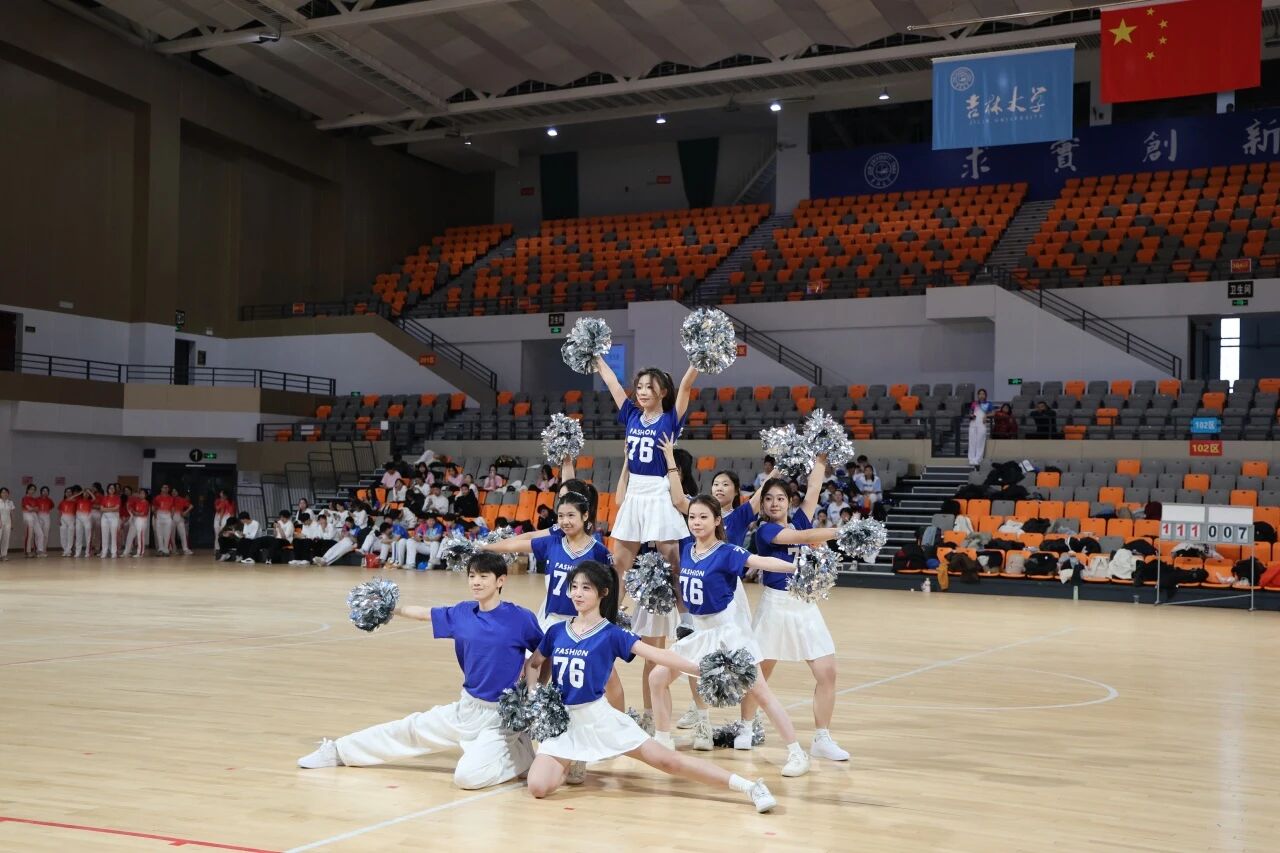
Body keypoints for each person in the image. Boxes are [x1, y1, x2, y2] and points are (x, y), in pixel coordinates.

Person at [523, 560, 778, 812]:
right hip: (563, 721)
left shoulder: (612, 634)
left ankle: (749, 786)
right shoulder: (557, 631)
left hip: (598, 717)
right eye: (574, 587)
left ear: (603, 592)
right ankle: (575, 755)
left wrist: (701, 669)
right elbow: (533, 664)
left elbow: (659, 655)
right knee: (538, 787)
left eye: (586, 588)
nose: (577, 593)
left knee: (668, 761)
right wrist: (535, 696)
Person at [298, 552, 543, 791]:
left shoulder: (521, 618)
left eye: (483, 576)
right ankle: (339, 751)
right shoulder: (462, 612)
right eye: (472, 576)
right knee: (411, 729)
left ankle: (521, 757)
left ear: (500, 580)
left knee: (467, 778)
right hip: (467, 707)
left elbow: (544, 653)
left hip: (502, 716)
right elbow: (424, 613)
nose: (476, 582)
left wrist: (533, 692)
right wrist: (391, 609)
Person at [648, 496, 814, 777]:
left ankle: (797, 753)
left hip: (727, 635)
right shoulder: (687, 549)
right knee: (657, 677)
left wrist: (796, 568)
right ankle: (663, 741)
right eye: (692, 517)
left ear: (716, 521)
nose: (696, 522)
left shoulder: (727, 551)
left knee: (761, 693)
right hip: (699, 634)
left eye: (703, 517)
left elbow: (761, 561)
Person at [739, 458, 851, 763]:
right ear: (763, 505)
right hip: (774, 605)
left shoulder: (800, 520)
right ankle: (745, 727)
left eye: (780, 498)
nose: (775, 503)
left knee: (827, 671)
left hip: (804, 605)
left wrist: (822, 457)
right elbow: (802, 538)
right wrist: (843, 532)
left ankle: (822, 738)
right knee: (760, 672)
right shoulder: (764, 531)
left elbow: (814, 488)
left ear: (790, 501)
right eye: (769, 499)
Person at [658, 436, 764, 731]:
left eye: (726, 484)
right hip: (701, 587)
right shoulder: (698, 512)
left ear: (736, 491)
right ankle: (699, 708)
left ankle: (750, 712)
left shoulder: (740, 515)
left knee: (740, 652)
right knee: (697, 649)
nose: (719, 487)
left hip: (729, 591)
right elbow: (678, 499)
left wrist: (780, 466)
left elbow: (763, 492)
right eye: (716, 483)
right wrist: (670, 460)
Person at [480, 492, 612, 632]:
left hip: (585, 622)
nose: (565, 521)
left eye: (571, 515)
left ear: (585, 516)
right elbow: (512, 546)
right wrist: (483, 548)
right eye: (561, 516)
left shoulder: (599, 552)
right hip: (553, 620)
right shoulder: (551, 543)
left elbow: (608, 591)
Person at [967, 388, 994, 469]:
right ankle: (971, 459)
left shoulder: (988, 404)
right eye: (980, 394)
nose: (981, 395)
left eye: (983, 394)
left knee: (980, 442)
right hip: (973, 423)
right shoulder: (974, 403)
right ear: (978, 395)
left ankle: (978, 459)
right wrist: (971, 415)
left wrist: (986, 415)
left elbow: (993, 413)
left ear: (985, 395)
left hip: (981, 424)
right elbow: (971, 412)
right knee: (972, 442)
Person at [123, 489, 151, 558]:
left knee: (140, 536)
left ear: (145, 495)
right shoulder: (136, 501)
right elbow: (130, 507)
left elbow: (143, 513)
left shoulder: (146, 503)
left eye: (143, 493)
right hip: (134, 519)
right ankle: (126, 552)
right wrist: (133, 512)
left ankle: (140, 552)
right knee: (130, 535)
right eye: (140, 493)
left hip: (141, 520)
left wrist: (135, 513)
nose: (141, 495)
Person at [99, 483, 122, 559]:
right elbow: (101, 509)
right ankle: (104, 552)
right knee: (104, 535)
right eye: (110, 488)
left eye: (113, 488)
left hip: (114, 517)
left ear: (115, 490)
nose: (111, 489)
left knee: (113, 535)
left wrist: (106, 509)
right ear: (107, 489)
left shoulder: (117, 498)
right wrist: (111, 509)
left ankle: (113, 552)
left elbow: (117, 508)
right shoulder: (104, 498)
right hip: (104, 517)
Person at [152, 484, 175, 557]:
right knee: (159, 534)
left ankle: (166, 550)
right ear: (161, 489)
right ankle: (160, 549)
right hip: (159, 516)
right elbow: (153, 507)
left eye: (166, 487)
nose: (165, 489)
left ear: (168, 489)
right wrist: (155, 515)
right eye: (164, 487)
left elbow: (173, 508)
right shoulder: (157, 497)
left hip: (168, 516)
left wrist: (171, 516)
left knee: (167, 534)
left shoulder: (171, 498)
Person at [20, 485, 43, 558]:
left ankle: (39, 551)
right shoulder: (24, 498)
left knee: (40, 534)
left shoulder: (34, 499)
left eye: (34, 490)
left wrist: (32, 509)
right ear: (27, 490)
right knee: (29, 534)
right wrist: (33, 508)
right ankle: (28, 552)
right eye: (31, 489)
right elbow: (28, 509)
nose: (32, 491)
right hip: (27, 515)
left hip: (34, 515)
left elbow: (37, 509)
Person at [73, 487, 94, 558]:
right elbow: (70, 498)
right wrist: (80, 493)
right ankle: (77, 552)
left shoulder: (90, 501)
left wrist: (89, 492)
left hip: (87, 520)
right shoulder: (78, 500)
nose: (86, 494)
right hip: (79, 520)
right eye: (85, 493)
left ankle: (87, 552)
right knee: (78, 536)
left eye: (87, 493)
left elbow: (94, 498)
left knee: (88, 537)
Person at [173, 489, 194, 555]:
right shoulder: (169, 499)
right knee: (171, 535)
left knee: (183, 534)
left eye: (175, 491)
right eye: (173, 491)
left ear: (177, 492)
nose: (174, 492)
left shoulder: (181, 499)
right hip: (171, 517)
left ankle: (185, 549)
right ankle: (173, 549)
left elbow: (191, 506)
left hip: (180, 517)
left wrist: (185, 512)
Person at [58, 488, 77, 558]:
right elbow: (60, 511)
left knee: (70, 535)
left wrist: (76, 521)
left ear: (72, 493)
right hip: (63, 519)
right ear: (65, 493)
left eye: (70, 492)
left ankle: (68, 551)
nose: (68, 493)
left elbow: (77, 512)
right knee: (63, 535)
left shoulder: (75, 502)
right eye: (67, 492)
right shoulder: (62, 502)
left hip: (72, 519)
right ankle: (65, 550)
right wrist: (59, 519)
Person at [35, 486, 53, 557]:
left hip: (47, 517)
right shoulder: (36, 499)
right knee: (39, 534)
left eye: (46, 491)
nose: (45, 492)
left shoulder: (50, 500)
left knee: (46, 534)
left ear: (48, 492)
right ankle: (38, 550)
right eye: (43, 491)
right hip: (38, 516)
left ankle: (44, 550)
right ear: (41, 492)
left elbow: (51, 507)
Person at [0, 487, 12, 561]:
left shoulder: (10, 502)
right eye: (3, 492)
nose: (4, 494)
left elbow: (12, 513)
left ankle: (4, 555)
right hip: (0, 522)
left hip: (8, 522)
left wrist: (12, 523)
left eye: (6, 492)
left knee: (6, 539)